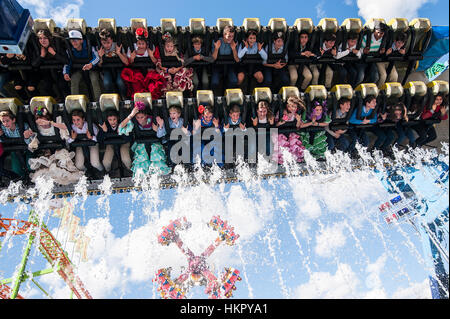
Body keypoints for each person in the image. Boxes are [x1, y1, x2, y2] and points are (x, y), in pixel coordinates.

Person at [27, 105, 83, 185]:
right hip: (46, 150)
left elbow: (66, 127)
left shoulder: (56, 121)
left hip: (59, 149)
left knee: (60, 167)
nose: (41, 122)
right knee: (45, 168)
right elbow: (32, 141)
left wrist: (50, 123)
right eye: (38, 119)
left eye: (43, 119)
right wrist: (28, 136)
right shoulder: (36, 127)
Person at [119, 102, 170, 176]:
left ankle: (158, 176)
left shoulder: (153, 120)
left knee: (156, 158)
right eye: (137, 117)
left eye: (142, 117)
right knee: (141, 160)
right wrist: (131, 115)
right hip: (140, 142)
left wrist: (159, 128)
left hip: (155, 142)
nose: (140, 120)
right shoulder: (135, 122)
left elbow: (163, 135)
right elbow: (121, 128)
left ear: (146, 116)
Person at [121, 27, 166, 99]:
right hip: (137, 72)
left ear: (146, 43)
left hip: (149, 72)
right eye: (139, 43)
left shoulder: (151, 48)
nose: (141, 46)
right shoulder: (132, 48)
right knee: (137, 85)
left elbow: (156, 62)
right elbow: (128, 64)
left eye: (143, 44)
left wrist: (151, 55)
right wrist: (132, 58)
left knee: (153, 87)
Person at [63, 29, 102, 102]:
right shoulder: (70, 50)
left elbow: (96, 57)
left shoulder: (89, 47)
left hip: (91, 69)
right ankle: (75, 102)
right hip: (78, 69)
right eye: (71, 41)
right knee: (74, 79)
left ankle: (98, 101)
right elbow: (67, 62)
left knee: (94, 79)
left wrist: (91, 64)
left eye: (76, 40)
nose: (73, 42)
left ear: (81, 40)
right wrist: (66, 73)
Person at [32, 29, 69, 102]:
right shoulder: (38, 49)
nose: (43, 41)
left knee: (61, 84)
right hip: (46, 73)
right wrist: (42, 56)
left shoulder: (57, 46)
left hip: (59, 71)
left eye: (45, 38)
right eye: (40, 38)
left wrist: (54, 53)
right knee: (45, 86)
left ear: (50, 38)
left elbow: (66, 60)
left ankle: (66, 101)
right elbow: (34, 64)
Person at [67, 109, 104, 176]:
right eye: (74, 120)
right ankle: (87, 173)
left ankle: (102, 172)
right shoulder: (72, 127)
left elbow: (100, 139)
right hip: (80, 144)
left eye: (78, 119)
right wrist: (72, 138)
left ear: (83, 119)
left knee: (95, 163)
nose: (76, 122)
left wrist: (91, 137)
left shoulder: (90, 126)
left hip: (92, 143)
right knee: (78, 165)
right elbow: (67, 141)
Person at [0, 110, 34, 181]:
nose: (5, 123)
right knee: (16, 170)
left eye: (7, 121)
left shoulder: (24, 126)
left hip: (28, 148)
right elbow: (2, 141)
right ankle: (22, 182)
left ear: (13, 120)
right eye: (3, 122)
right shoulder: (2, 128)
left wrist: (26, 137)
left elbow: (32, 142)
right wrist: (1, 136)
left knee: (31, 166)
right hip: (14, 149)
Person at [272, 96, 308, 164]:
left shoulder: (295, 114)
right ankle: (281, 160)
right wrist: (280, 122)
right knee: (282, 144)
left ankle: (295, 160)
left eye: (295, 107)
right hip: (280, 132)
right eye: (291, 106)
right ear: (287, 106)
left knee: (294, 143)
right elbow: (274, 125)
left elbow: (297, 127)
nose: (293, 109)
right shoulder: (281, 112)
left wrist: (298, 121)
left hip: (290, 132)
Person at [97, 29, 129, 99]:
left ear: (112, 40)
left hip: (118, 68)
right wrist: (101, 57)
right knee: (107, 83)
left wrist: (118, 53)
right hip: (107, 69)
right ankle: (111, 99)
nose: (106, 45)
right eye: (104, 43)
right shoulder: (100, 48)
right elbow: (99, 65)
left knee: (120, 82)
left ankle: (124, 97)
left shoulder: (117, 46)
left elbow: (126, 62)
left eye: (108, 42)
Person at [99, 109, 132, 174]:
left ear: (118, 118)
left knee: (126, 159)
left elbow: (129, 138)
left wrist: (122, 131)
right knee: (106, 162)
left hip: (124, 142)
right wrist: (104, 131)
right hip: (110, 143)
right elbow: (99, 140)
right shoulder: (106, 126)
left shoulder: (122, 124)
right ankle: (108, 172)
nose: (112, 122)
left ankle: (130, 170)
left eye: (114, 119)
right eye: (110, 120)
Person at [210, 25, 240, 95]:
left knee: (234, 81)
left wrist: (233, 49)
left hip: (230, 65)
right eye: (229, 36)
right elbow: (213, 58)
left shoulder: (234, 42)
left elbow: (237, 60)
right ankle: (213, 94)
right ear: (224, 35)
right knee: (214, 82)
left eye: (232, 36)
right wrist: (216, 48)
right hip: (217, 65)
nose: (231, 38)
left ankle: (227, 94)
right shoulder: (217, 41)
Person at [360, 21, 388, 85]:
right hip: (362, 60)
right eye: (378, 32)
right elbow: (358, 50)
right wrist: (363, 52)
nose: (379, 35)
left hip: (372, 60)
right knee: (360, 77)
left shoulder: (383, 41)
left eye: (381, 33)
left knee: (375, 77)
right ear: (374, 31)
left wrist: (381, 52)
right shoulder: (365, 38)